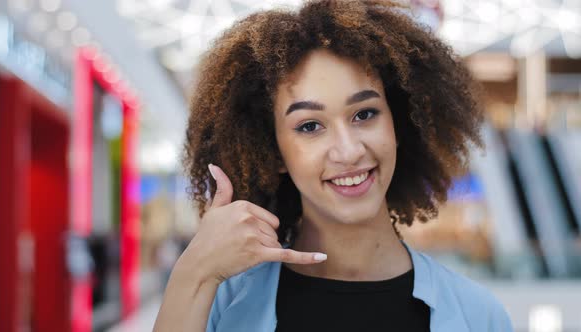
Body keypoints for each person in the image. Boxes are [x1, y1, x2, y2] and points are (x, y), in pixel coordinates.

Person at [154, 1, 514, 331]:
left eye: (364, 114)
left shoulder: (479, 316)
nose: (348, 150)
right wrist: (193, 272)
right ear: (274, 151)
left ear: (399, 124)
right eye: (310, 126)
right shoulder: (219, 301)